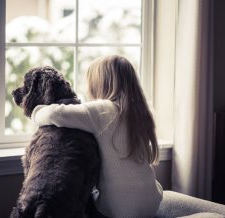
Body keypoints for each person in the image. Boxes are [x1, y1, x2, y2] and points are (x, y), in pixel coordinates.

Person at [31, 55, 163, 218]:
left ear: (99, 84)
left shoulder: (103, 110)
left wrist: (35, 111)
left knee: (85, 200)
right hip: (152, 202)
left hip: (120, 210)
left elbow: (55, 114)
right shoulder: (141, 111)